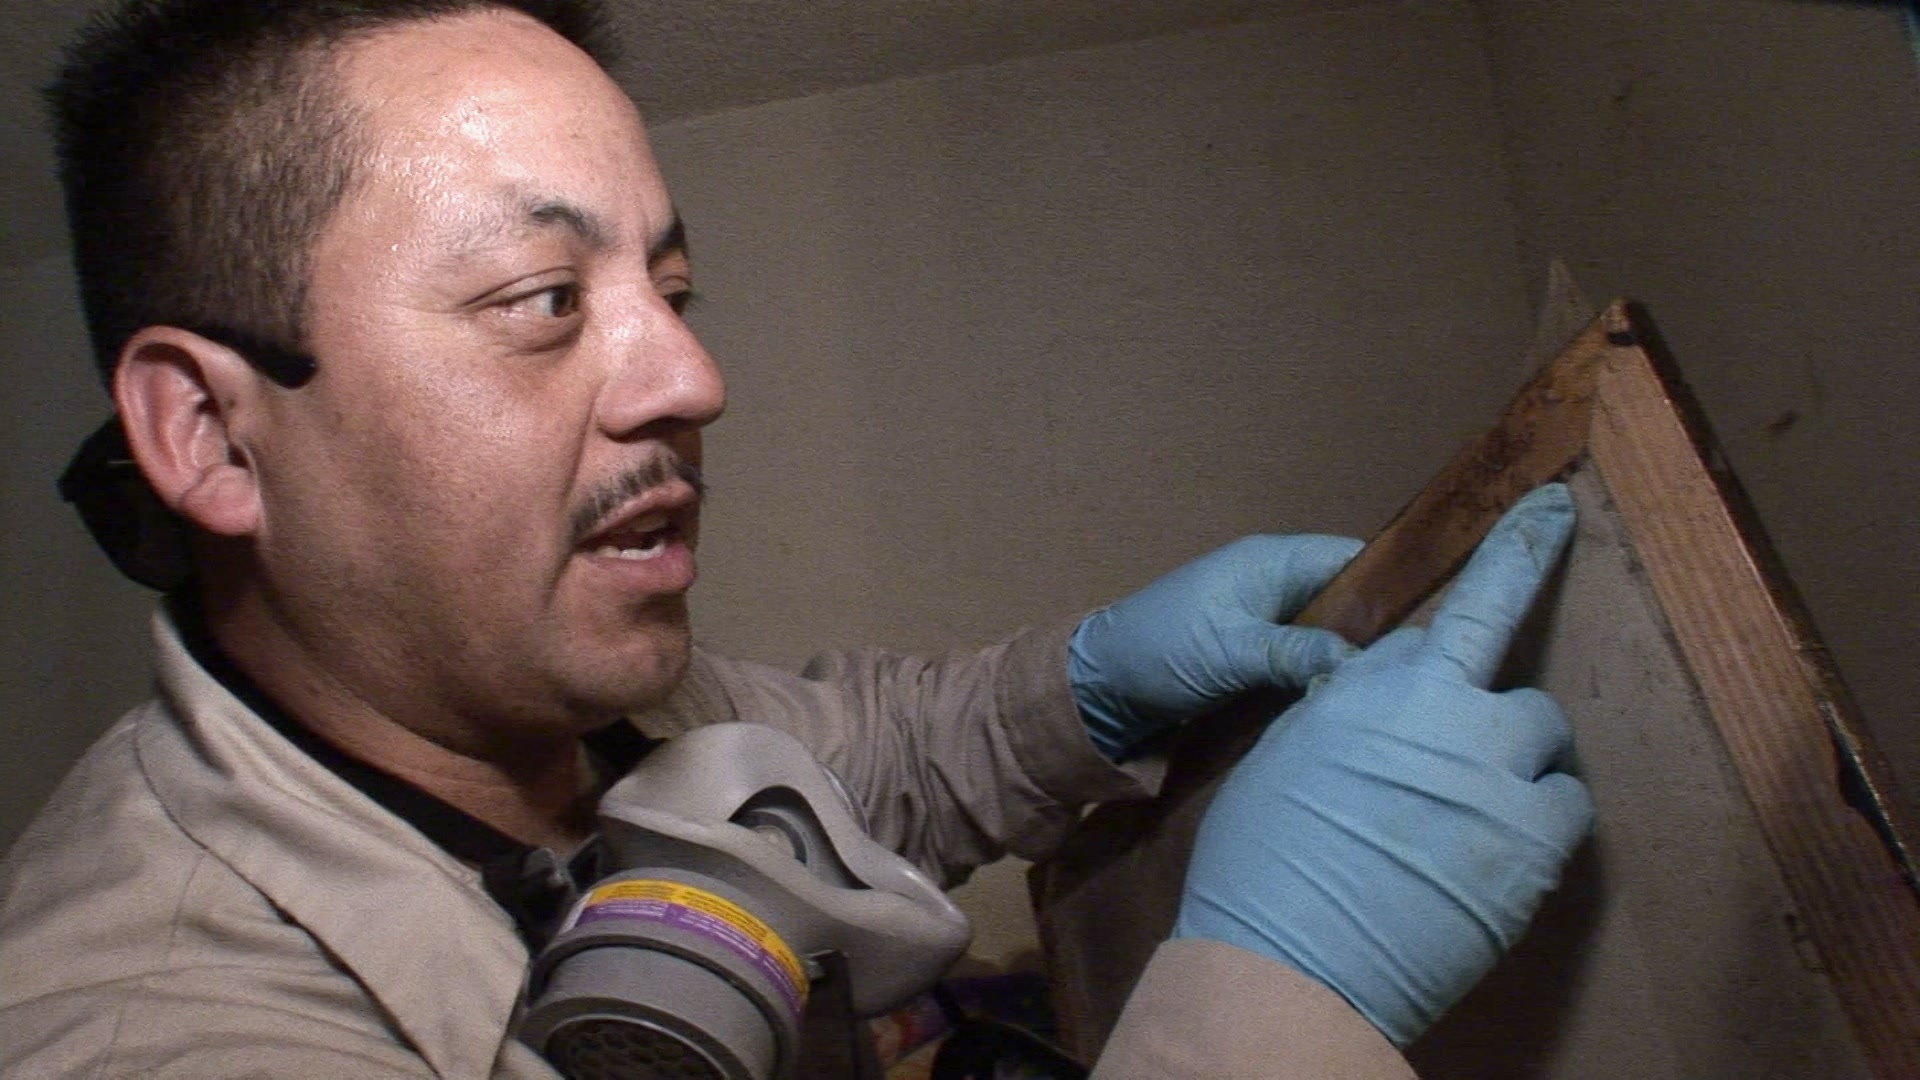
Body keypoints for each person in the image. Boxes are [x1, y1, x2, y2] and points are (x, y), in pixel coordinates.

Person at [0, 1, 1592, 1076]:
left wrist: (1086, 688)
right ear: (212, 435)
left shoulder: (550, 694)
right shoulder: (153, 1027)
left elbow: (859, 758)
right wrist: (1274, 1005)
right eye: (543, 301)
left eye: (670, 292)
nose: (692, 381)